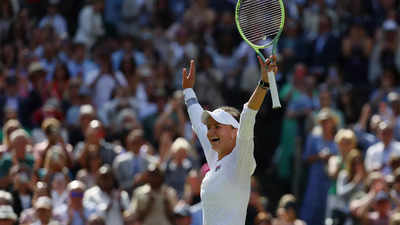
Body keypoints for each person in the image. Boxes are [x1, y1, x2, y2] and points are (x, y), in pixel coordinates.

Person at [181, 55, 277, 225]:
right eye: (209, 127)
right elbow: (197, 120)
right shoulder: (214, 157)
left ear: (235, 132)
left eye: (217, 126)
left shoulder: (240, 161)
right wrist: (188, 91)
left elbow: (247, 116)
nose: (210, 132)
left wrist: (263, 84)